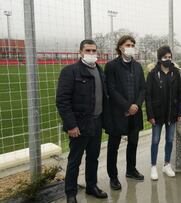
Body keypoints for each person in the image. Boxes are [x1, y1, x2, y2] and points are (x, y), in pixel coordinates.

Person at [56, 39, 108, 203]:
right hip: (79, 125)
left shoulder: (100, 71)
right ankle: (71, 193)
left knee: (93, 157)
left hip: (96, 122)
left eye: (94, 51)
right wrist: (71, 125)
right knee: (75, 160)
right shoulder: (70, 71)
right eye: (88, 50)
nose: (91, 54)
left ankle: (91, 186)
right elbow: (62, 101)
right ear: (80, 52)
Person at [105, 35, 146, 190]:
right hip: (118, 114)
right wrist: (127, 106)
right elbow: (111, 90)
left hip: (135, 113)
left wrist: (136, 105)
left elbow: (143, 87)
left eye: (133, 44)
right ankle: (113, 176)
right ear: (120, 47)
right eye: (128, 44)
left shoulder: (137, 66)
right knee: (113, 146)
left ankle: (131, 170)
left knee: (133, 143)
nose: (131, 47)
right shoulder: (111, 66)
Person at [145, 45, 181, 181]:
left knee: (169, 139)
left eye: (169, 57)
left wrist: (180, 111)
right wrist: (150, 115)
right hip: (157, 114)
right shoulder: (152, 73)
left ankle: (167, 164)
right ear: (159, 58)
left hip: (171, 114)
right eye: (165, 57)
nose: (168, 59)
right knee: (155, 140)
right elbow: (148, 96)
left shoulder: (176, 72)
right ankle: (153, 166)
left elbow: (180, 93)